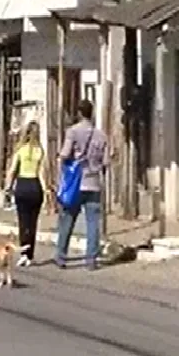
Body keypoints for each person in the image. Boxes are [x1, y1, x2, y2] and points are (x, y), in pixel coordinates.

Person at [54, 99, 109, 271]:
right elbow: (106, 162)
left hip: (76, 183)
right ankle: (91, 260)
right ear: (91, 113)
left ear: (79, 113)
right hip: (94, 182)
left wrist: (62, 174)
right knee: (93, 223)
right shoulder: (101, 135)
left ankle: (61, 256)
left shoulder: (72, 132)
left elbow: (64, 154)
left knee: (68, 219)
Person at [4, 120, 46, 267]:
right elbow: (42, 173)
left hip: (22, 185)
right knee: (33, 223)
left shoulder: (20, 150)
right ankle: (30, 255)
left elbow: (12, 170)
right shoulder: (40, 151)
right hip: (35, 185)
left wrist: (8, 188)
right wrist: (46, 190)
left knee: (23, 222)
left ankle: (23, 252)